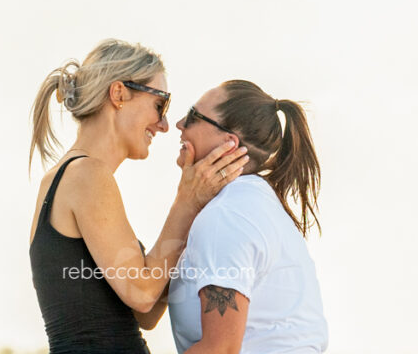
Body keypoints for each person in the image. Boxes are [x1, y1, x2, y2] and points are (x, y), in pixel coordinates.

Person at [28, 39, 249, 354]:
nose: (163, 125)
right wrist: (186, 202)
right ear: (119, 94)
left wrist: (198, 212)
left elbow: (146, 313)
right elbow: (143, 293)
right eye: (160, 104)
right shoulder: (87, 176)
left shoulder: (62, 177)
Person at [166, 79, 328, 354]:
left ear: (229, 143)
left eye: (194, 116)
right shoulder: (254, 202)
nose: (179, 124)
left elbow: (221, 349)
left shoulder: (227, 216)